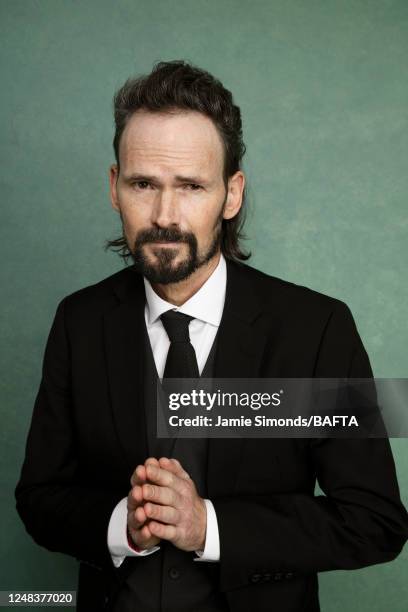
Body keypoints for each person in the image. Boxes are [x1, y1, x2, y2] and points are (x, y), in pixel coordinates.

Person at [15, 60, 408, 612]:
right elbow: (38, 498)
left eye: (192, 186)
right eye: (143, 184)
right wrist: (119, 528)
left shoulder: (318, 329)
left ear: (231, 194)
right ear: (114, 187)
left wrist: (209, 527)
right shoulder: (78, 322)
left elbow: (375, 521)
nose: (164, 215)